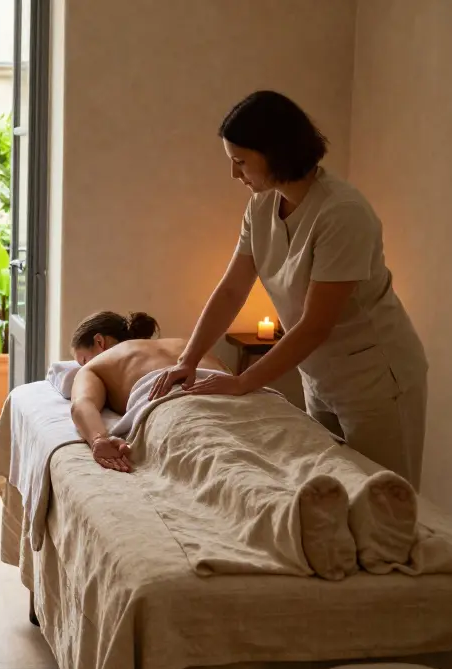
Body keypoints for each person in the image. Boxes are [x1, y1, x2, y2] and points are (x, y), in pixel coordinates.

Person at [149, 90, 428, 487]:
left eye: (241, 162)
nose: (234, 174)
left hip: (376, 379)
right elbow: (231, 290)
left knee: (385, 502)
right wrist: (187, 359)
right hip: (318, 373)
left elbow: (317, 324)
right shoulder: (262, 206)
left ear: (275, 152)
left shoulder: (342, 213)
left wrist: (243, 382)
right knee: (334, 488)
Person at [68, 311, 229, 471]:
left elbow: (82, 404)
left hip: (176, 406)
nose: (83, 366)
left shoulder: (97, 364)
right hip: (233, 396)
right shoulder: (186, 344)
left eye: (83, 360)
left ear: (99, 341)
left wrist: (99, 439)